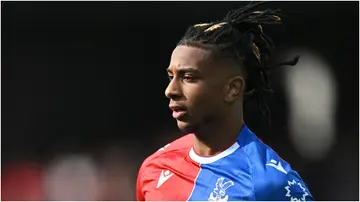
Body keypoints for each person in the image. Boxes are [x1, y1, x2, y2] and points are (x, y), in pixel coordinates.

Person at [136, 2, 314, 201]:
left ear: (232, 89)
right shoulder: (155, 167)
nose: (171, 91)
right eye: (171, 77)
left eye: (188, 77)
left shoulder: (273, 184)